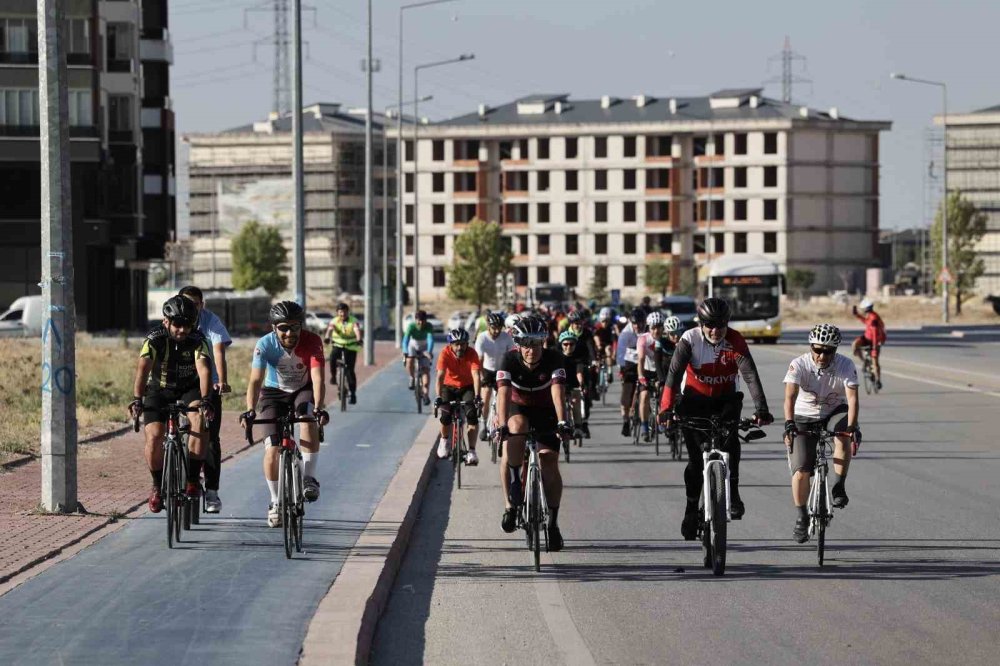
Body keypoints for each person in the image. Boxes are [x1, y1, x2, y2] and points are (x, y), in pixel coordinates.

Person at [658, 297, 773, 539]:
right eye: (709, 325)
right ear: (700, 323)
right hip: (694, 402)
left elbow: (750, 374)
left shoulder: (735, 340)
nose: (715, 331)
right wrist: (665, 409)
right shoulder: (689, 340)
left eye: (720, 325)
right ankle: (691, 509)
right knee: (696, 462)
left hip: (725, 401)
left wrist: (761, 408)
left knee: (731, 443)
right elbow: (673, 375)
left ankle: (733, 492)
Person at [241, 301, 329, 527]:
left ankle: (309, 478)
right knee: (272, 448)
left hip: (303, 389)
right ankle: (275, 501)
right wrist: (250, 410)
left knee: (307, 418)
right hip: (272, 393)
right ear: (274, 328)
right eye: (283, 328)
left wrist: (319, 406)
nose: (289, 332)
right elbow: (255, 380)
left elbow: (318, 378)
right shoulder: (265, 344)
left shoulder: (313, 341)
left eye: (294, 327)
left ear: (302, 326)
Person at [128, 296, 214, 514]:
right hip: (158, 389)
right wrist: (137, 399)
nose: (182, 330)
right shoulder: (154, 339)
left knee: (199, 421)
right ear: (166, 321)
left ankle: (193, 480)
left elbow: (204, 371)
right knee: (155, 436)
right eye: (177, 324)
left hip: (189, 389)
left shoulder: (198, 339)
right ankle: (157, 486)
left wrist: (205, 401)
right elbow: (142, 370)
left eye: (188, 324)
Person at [496, 316, 571, 551]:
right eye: (526, 344)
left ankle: (553, 524)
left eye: (536, 343)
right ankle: (515, 489)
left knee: (549, 459)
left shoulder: (554, 358)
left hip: (547, 409)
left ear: (543, 343)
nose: (531, 350)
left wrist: (562, 422)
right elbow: (503, 395)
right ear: (518, 344)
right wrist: (501, 424)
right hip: (519, 407)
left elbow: (558, 392)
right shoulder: (508, 359)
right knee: (516, 427)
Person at [784, 324, 861, 543]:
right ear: (811, 347)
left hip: (834, 412)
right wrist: (789, 424)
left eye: (828, 351)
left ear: (835, 350)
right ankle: (801, 517)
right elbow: (790, 397)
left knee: (842, 434)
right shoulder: (799, 364)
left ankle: (839, 485)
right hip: (803, 416)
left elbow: (853, 399)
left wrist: (852, 427)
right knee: (801, 469)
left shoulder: (845, 365)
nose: (821, 355)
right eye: (817, 350)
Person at [178, 286, 231, 514]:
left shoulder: (211, 322)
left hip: (208, 384)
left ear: (202, 305)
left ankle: (211, 491)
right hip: (178, 383)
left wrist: (222, 381)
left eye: (195, 304)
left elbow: (218, 350)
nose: (190, 309)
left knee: (209, 438)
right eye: (186, 303)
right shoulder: (174, 320)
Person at [434, 328, 483, 464]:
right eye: (456, 344)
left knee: (472, 416)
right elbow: (440, 376)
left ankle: (472, 451)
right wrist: (438, 396)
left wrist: (478, 395)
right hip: (448, 387)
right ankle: (444, 441)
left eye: (462, 343)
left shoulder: (472, 353)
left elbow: (476, 375)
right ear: (451, 345)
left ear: (467, 344)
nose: (460, 347)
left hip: (467, 387)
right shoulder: (445, 353)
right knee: (445, 415)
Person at [475, 311, 515, 441]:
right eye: (494, 328)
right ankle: (483, 423)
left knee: (502, 397)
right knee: (486, 395)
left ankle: (500, 423)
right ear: (488, 326)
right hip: (487, 369)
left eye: (499, 328)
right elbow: (479, 360)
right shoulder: (482, 337)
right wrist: (481, 377)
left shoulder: (506, 337)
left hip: (502, 370)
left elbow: (511, 356)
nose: (497, 331)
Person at [635, 311, 666, 442]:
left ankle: (662, 420)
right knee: (644, 396)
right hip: (646, 371)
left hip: (661, 371)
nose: (656, 331)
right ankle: (644, 425)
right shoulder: (643, 339)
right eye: (653, 328)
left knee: (664, 395)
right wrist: (641, 376)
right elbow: (641, 359)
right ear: (649, 328)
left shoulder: (666, 339)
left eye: (659, 327)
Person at [324, 302, 363, 404]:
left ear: (348, 312)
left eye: (345, 312)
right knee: (332, 359)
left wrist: (359, 339)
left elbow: (357, 330)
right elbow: (330, 329)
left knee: (350, 371)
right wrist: (327, 337)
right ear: (337, 312)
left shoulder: (353, 321)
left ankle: (353, 394)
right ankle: (333, 376)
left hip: (350, 347)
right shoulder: (334, 321)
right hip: (338, 345)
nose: (343, 314)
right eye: (340, 312)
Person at [615, 308, 644, 437]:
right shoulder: (625, 333)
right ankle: (626, 421)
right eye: (634, 323)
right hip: (629, 363)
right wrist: (622, 369)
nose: (637, 326)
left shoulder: (648, 329)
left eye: (640, 323)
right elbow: (620, 354)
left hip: (645, 362)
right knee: (626, 394)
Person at [851, 299, 886, 390]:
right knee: (855, 345)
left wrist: (874, 347)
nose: (862, 310)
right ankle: (864, 362)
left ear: (866, 309)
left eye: (863, 309)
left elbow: (875, 334)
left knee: (875, 361)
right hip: (867, 338)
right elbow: (865, 321)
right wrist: (857, 315)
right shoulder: (869, 315)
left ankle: (878, 380)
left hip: (875, 340)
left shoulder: (874, 318)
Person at [558, 330, 587, 436]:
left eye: (571, 344)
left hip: (573, 383)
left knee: (576, 402)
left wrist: (581, 384)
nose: (568, 346)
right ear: (561, 344)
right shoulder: (557, 357)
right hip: (559, 384)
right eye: (565, 344)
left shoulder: (578, 358)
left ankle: (578, 427)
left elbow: (579, 373)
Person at [402, 309, 435, 402]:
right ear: (415, 320)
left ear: (426, 320)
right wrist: (405, 351)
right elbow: (405, 340)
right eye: (418, 320)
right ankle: (412, 377)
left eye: (422, 320)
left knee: (425, 370)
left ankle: (425, 394)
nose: (420, 323)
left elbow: (430, 340)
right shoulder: (411, 326)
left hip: (424, 346)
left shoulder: (429, 326)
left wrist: (429, 351)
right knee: (409, 361)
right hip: (413, 345)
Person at [593, 307, 617, 384]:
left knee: (608, 349)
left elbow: (614, 342)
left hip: (608, 345)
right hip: (599, 345)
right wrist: (598, 345)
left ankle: (610, 372)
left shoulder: (612, 328)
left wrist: (614, 353)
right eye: (603, 321)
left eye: (607, 321)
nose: (604, 323)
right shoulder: (597, 327)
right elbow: (594, 336)